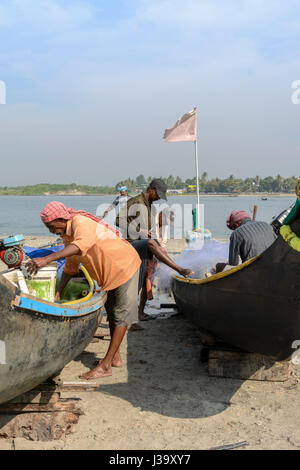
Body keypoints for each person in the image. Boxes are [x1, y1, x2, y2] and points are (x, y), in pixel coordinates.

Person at [26, 201, 141, 380]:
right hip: (109, 274)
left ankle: (105, 366)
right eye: (47, 228)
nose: (50, 231)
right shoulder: (67, 236)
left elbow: (80, 245)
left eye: (51, 226)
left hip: (124, 265)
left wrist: (47, 258)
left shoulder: (81, 223)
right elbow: (70, 266)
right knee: (111, 313)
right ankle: (115, 357)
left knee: (120, 314)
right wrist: (58, 292)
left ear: (61, 219)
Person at [116, 179, 193, 327]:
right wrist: (140, 231)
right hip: (131, 244)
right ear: (151, 190)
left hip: (143, 248)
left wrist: (155, 242)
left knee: (137, 286)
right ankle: (178, 269)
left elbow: (149, 233)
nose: (158, 198)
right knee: (151, 244)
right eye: (158, 194)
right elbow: (118, 220)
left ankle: (131, 320)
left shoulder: (150, 207)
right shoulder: (135, 201)